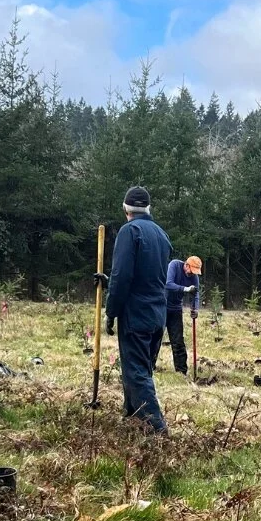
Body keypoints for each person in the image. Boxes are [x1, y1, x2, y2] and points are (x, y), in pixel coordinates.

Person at [99, 186, 171, 434]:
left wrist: (111, 311)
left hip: (136, 314)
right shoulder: (162, 235)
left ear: (125, 209)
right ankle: (133, 417)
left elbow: (122, 276)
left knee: (137, 372)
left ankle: (157, 429)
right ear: (148, 208)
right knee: (142, 369)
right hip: (157, 314)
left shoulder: (130, 231)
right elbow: (149, 274)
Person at [161, 255, 202, 374]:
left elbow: (196, 294)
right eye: (192, 270)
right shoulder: (174, 265)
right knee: (156, 337)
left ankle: (181, 371)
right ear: (186, 265)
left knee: (178, 341)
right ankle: (149, 367)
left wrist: (195, 309)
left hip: (176, 309)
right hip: (162, 306)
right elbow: (168, 284)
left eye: (195, 272)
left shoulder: (194, 276)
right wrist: (186, 289)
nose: (192, 274)